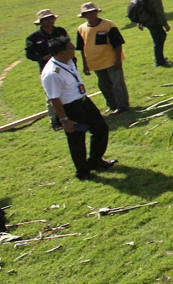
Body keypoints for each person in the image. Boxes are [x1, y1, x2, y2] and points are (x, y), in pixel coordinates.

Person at [40, 36, 116, 180]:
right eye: (70, 48)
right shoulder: (52, 74)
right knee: (77, 141)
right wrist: (64, 120)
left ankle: (95, 161)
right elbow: (54, 99)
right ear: (61, 52)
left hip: (83, 101)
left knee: (101, 129)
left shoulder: (69, 61)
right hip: (70, 108)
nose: (74, 49)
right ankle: (82, 172)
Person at [75, 1, 130, 115]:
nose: (90, 15)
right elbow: (81, 48)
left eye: (92, 12)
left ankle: (123, 105)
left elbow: (118, 43)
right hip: (95, 63)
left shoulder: (108, 25)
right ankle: (112, 105)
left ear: (97, 12)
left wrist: (118, 59)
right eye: (87, 13)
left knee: (117, 84)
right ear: (84, 15)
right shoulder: (81, 28)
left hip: (111, 61)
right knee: (104, 86)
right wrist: (85, 65)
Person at [27, 8, 71, 129]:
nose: (49, 21)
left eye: (51, 18)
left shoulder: (60, 31)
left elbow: (68, 46)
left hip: (65, 66)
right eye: (45, 19)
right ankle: (55, 121)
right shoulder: (33, 38)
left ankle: (71, 115)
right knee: (52, 95)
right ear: (40, 22)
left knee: (68, 90)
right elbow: (29, 54)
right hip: (48, 70)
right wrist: (42, 58)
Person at [136, 0, 171, 67]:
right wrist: (165, 24)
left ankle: (160, 58)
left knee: (158, 38)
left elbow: (139, 8)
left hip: (145, 20)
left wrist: (139, 22)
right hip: (153, 21)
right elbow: (159, 10)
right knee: (160, 38)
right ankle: (159, 61)